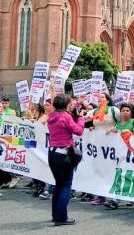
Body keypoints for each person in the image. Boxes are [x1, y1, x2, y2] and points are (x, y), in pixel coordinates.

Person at [47, 93, 84, 226]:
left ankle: (55, 214)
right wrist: (80, 118)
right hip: (64, 154)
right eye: (70, 103)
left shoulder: (51, 115)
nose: (71, 105)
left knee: (58, 184)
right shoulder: (65, 116)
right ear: (66, 104)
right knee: (66, 185)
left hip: (52, 153)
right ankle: (61, 217)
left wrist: (76, 109)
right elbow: (79, 131)